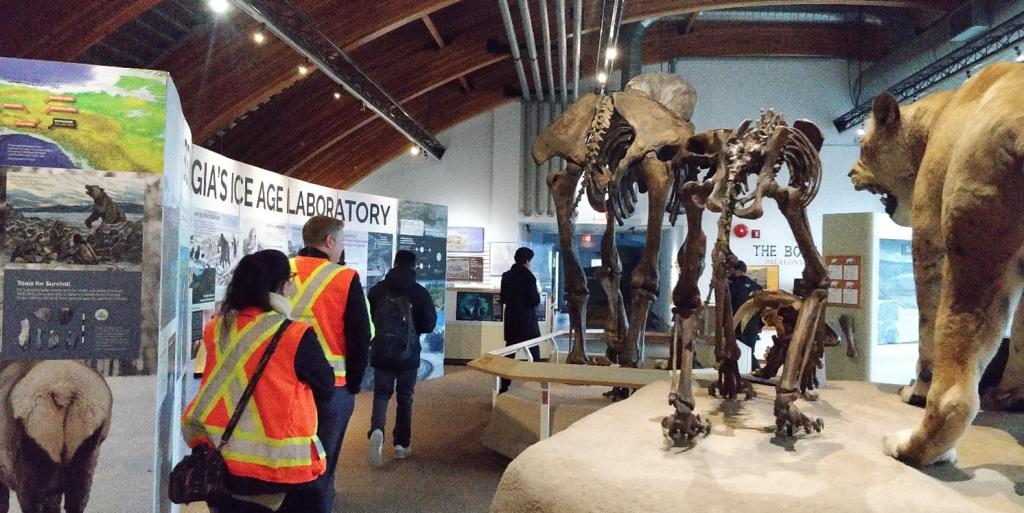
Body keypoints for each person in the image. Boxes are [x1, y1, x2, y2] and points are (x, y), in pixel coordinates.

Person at [181, 250, 334, 513]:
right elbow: (326, 386)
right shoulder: (294, 334)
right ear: (281, 285)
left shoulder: (216, 329)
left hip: (220, 462)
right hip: (280, 470)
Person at [281, 216, 371, 513]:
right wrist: (356, 383)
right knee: (322, 463)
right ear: (330, 241)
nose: (341, 247)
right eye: (341, 241)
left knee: (285, 457)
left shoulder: (282, 272)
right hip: (332, 388)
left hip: (282, 385)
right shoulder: (345, 278)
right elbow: (359, 336)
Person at [365, 250, 437, 467]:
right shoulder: (419, 292)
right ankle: (400, 445)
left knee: (381, 394)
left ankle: (377, 429)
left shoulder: (377, 290)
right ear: (414, 266)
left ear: (394, 264)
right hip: (408, 353)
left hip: (382, 350)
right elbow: (429, 324)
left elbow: (368, 318)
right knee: (405, 396)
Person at [499, 247, 542, 393]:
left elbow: (503, 298)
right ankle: (541, 380)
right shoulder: (529, 277)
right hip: (527, 318)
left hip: (512, 318)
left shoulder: (506, 276)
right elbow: (535, 300)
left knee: (510, 350)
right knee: (534, 347)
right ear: (527, 260)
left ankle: (504, 384)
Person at [728, 260, 763, 371]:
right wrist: (760, 326)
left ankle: (746, 372)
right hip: (753, 326)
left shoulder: (731, 287)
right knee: (750, 350)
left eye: (732, 270)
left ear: (737, 270)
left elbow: (728, 307)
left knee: (740, 351)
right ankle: (753, 371)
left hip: (737, 325)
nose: (730, 273)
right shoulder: (757, 287)